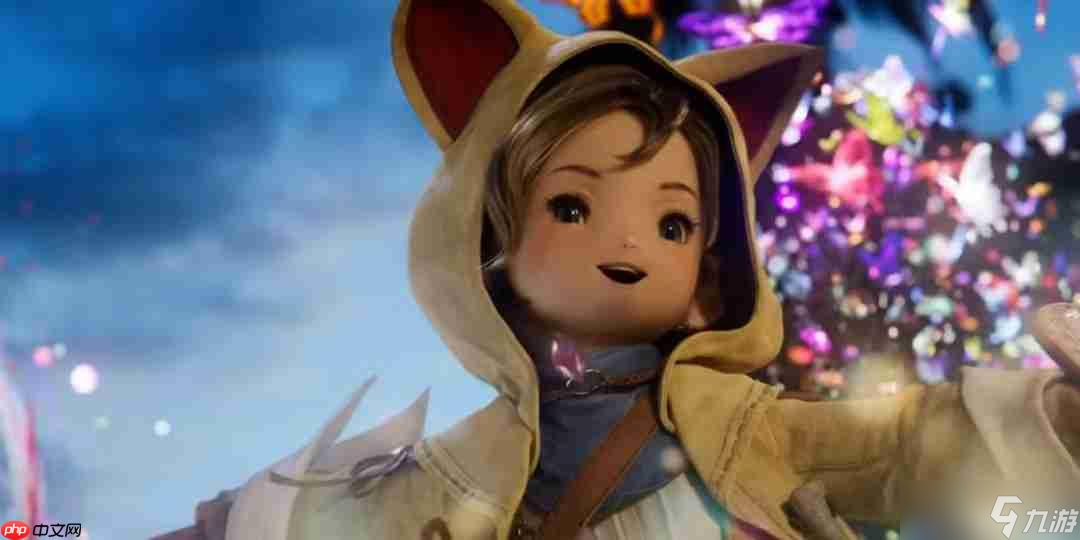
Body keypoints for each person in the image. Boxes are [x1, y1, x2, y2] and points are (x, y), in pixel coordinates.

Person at [153, 1, 1080, 539]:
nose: (629, 247)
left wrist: (1054, 419)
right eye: (571, 206)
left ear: (711, 263)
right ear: (486, 236)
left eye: (673, 222)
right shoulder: (448, 470)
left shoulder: (747, 431)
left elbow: (907, 445)